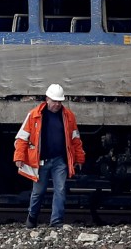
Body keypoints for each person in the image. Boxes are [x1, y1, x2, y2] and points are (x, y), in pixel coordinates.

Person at [13, 83, 85, 229]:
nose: (57, 104)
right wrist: (19, 157)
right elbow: (22, 138)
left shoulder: (68, 116)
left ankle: (56, 222)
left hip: (59, 160)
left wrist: (79, 158)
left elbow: (75, 139)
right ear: (47, 99)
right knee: (38, 192)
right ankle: (32, 217)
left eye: (60, 101)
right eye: (55, 101)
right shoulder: (34, 115)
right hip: (41, 161)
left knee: (60, 190)